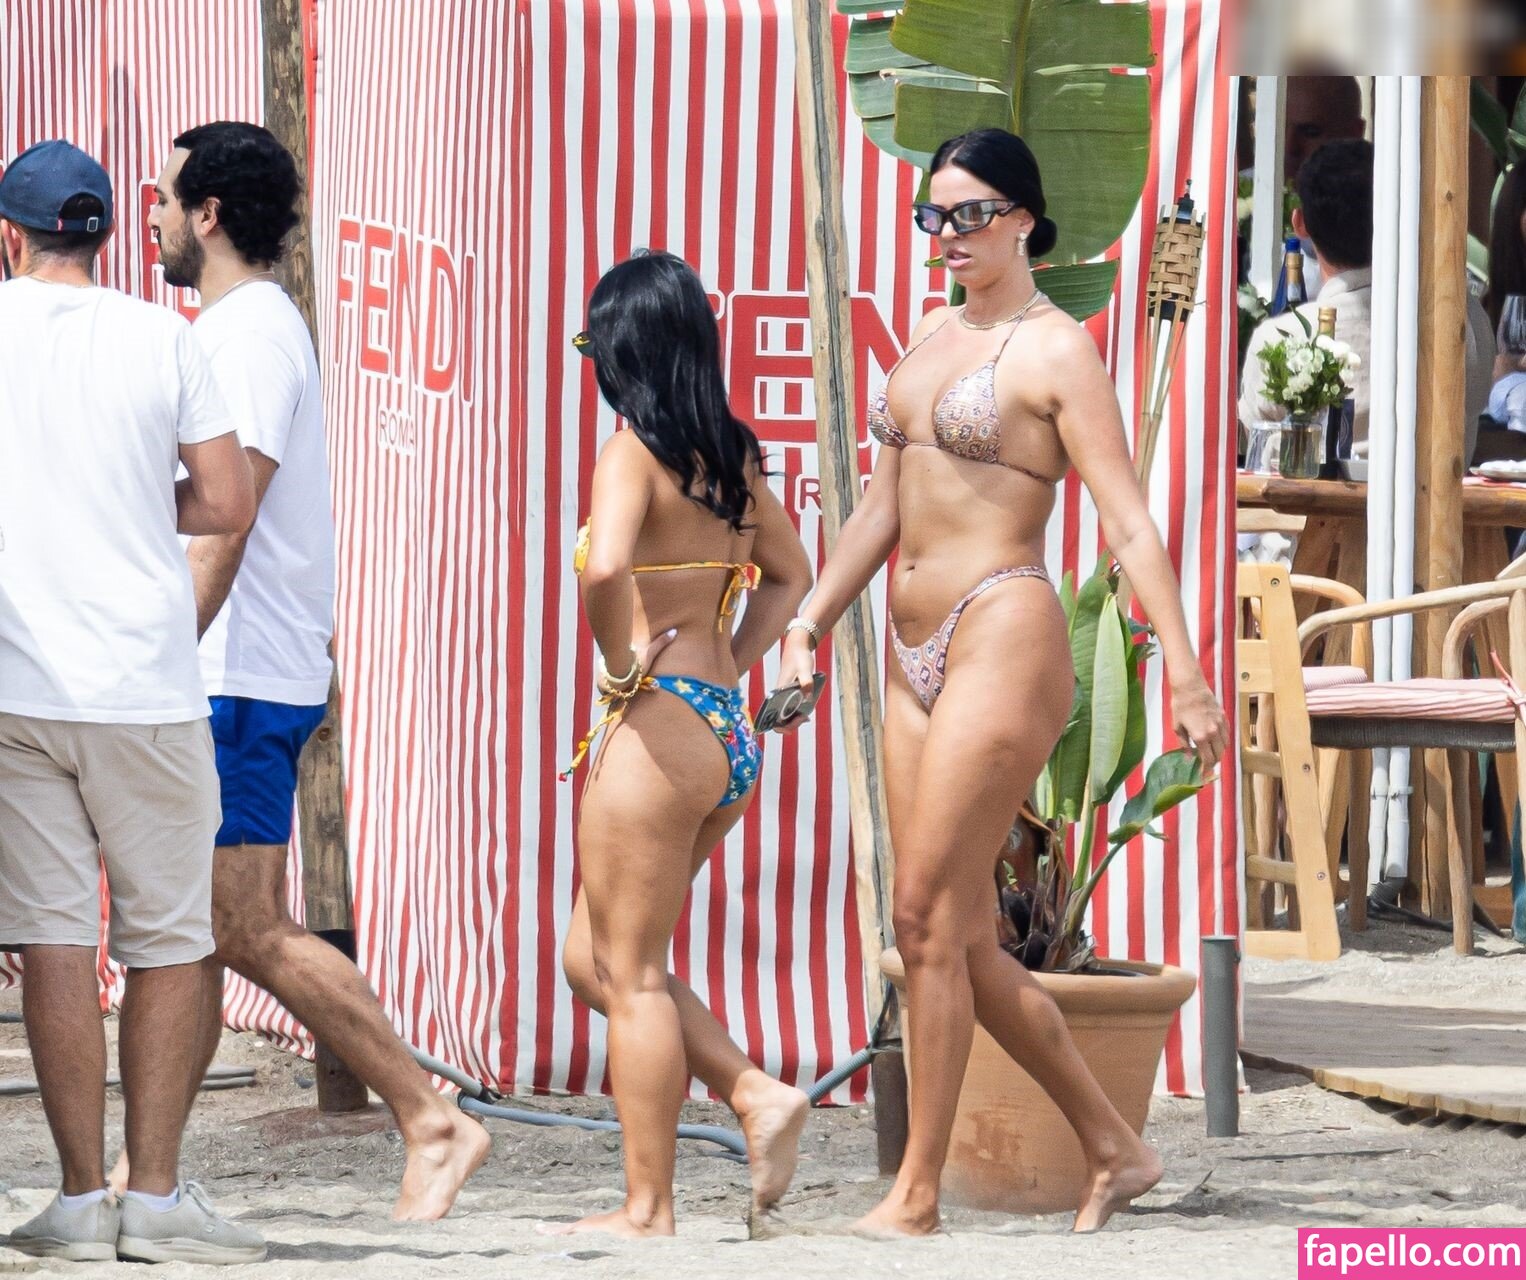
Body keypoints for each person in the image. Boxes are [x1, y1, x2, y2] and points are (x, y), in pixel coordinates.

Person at [774, 129, 1229, 1237]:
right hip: (905, 651)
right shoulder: (927, 340)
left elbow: (1126, 520)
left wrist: (1184, 668)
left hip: (1000, 631)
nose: (948, 234)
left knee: (922, 911)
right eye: (933, 215)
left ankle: (917, 1193)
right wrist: (806, 621)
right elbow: (877, 512)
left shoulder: (1057, 350)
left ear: (1024, 219)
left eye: (970, 213)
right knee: (955, 936)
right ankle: (1113, 1145)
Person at [124, 121, 489, 1220]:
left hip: (231, 667)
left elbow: (226, 517)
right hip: (237, 665)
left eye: (163, 196)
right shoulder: (243, 328)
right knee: (194, 927)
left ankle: (429, 1115)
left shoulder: (245, 336)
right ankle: (151, 1178)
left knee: (238, 920)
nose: (150, 214)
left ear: (209, 215)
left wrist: (164, 653)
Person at [0, 140, 262, 1263]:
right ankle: (151, 1197)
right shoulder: (165, 335)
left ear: (8, 237)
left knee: (54, 936)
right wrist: (127, 499)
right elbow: (226, 499)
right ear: (107, 234)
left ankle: (75, 1198)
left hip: (18, 682)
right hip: (143, 681)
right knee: (165, 940)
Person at [549, 251, 815, 1238]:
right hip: (720, 729)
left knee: (632, 975)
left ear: (622, 348)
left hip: (656, 726)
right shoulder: (730, 457)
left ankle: (648, 1207)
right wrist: (729, 666)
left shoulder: (631, 452)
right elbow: (790, 574)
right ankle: (752, 1090)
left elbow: (606, 568)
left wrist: (620, 661)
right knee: (595, 957)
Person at [1240, 139, 1494, 463]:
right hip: (1438, 495)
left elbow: (1251, 444)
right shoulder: (1466, 319)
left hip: (1309, 497)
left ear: (1299, 223)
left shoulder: (1280, 337)